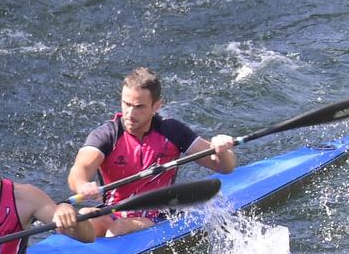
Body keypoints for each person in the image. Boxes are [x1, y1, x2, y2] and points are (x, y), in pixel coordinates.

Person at [67, 68, 238, 236]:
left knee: (118, 229)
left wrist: (221, 150)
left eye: (139, 106)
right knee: (84, 217)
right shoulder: (107, 135)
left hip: (159, 215)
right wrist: (82, 185)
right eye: (126, 104)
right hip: (114, 211)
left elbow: (224, 167)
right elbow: (79, 169)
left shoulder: (172, 131)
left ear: (156, 105)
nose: (130, 113)